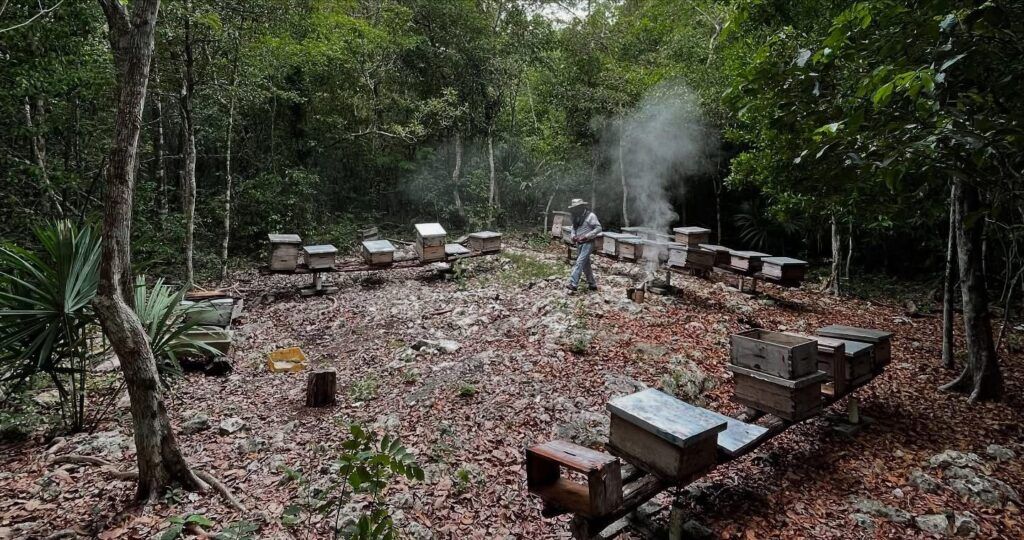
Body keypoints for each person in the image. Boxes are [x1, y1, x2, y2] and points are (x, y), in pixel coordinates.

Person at [566, 198, 602, 293]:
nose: (576, 209)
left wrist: (586, 236)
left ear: (582, 207)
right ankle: (592, 284)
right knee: (586, 265)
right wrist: (573, 236)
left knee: (579, 262)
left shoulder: (591, 216)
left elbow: (598, 228)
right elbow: (574, 228)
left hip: (588, 243)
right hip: (579, 243)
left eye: (577, 207)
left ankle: (573, 284)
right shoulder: (575, 216)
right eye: (574, 208)